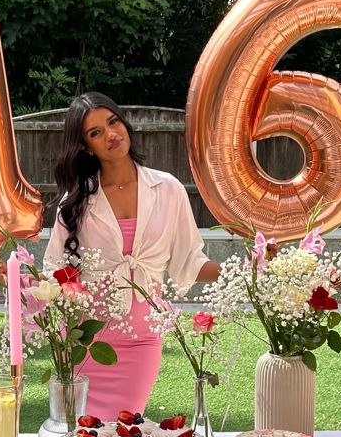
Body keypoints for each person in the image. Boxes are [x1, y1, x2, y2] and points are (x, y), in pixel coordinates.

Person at [43, 93, 220, 419]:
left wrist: (243, 271)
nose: (111, 135)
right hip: (86, 342)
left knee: (123, 436)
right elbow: (54, 273)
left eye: (113, 122)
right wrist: (15, 279)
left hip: (142, 342)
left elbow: (189, 262)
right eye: (95, 132)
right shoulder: (75, 203)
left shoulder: (168, 189)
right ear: (85, 146)